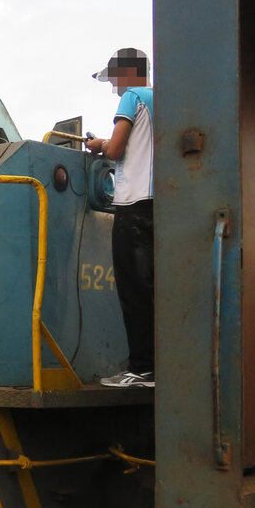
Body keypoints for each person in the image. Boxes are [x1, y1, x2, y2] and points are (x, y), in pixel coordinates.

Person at [85, 48, 155, 388]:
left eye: (114, 78)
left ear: (128, 73)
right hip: (159, 206)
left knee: (133, 290)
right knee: (154, 289)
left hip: (133, 205)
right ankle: (158, 365)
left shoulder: (132, 97)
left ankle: (142, 369)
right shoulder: (163, 99)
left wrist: (98, 144)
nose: (114, 86)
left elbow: (115, 150)